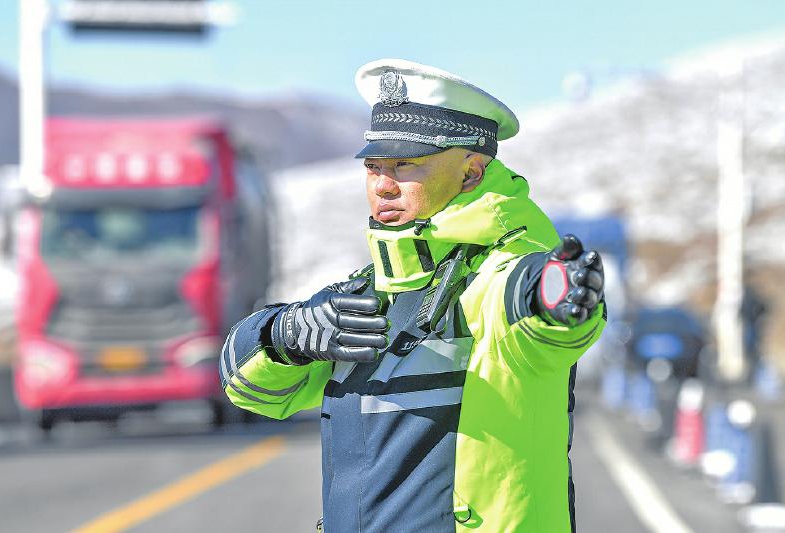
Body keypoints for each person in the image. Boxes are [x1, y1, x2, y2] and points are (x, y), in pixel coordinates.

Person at [219, 59, 606, 533]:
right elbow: (248, 391)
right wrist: (284, 335)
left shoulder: (496, 273)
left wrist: (552, 297)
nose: (383, 185)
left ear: (472, 172)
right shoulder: (373, 288)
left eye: (406, 165)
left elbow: (525, 303)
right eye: (374, 167)